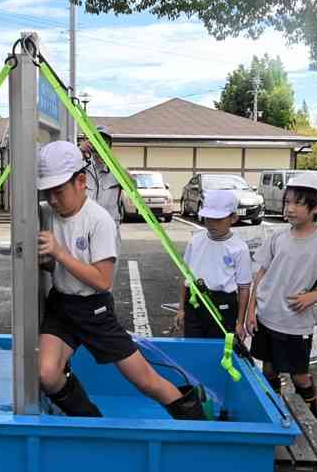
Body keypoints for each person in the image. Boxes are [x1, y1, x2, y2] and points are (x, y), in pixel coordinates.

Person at [36, 140, 204, 420]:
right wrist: (48, 263)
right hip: (61, 306)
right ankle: (91, 423)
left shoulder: (99, 220)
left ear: (80, 181)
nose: (53, 199)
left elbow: (102, 281)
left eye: (58, 191)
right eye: (48, 192)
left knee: (145, 381)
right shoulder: (47, 212)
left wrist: (59, 254)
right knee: (46, 373)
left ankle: (199, 425)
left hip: (95, 310)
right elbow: (56, 263)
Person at [246, 172, 317, 417]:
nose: (290, 209)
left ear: (316, 207)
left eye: (298, 203)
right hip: (266, 316)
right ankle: (272, 414)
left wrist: (314, 296)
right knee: (269, 369)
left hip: (296, 324)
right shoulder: (278, 236)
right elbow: (260, 272)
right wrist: (251, 310)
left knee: (300, 375)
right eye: (288, 202)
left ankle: (311, 420)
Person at [176, 190, 252, 339]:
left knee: (219, 350)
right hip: (195, 302)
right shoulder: (195, 241)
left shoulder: (239, 248)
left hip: (224, 305)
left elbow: (244, 288)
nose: (212, 224)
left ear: (234, 218)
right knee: (194, 348)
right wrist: (181, 309)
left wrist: (240, 322)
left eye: (218, 219)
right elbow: (185, 278)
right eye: (208, 218)